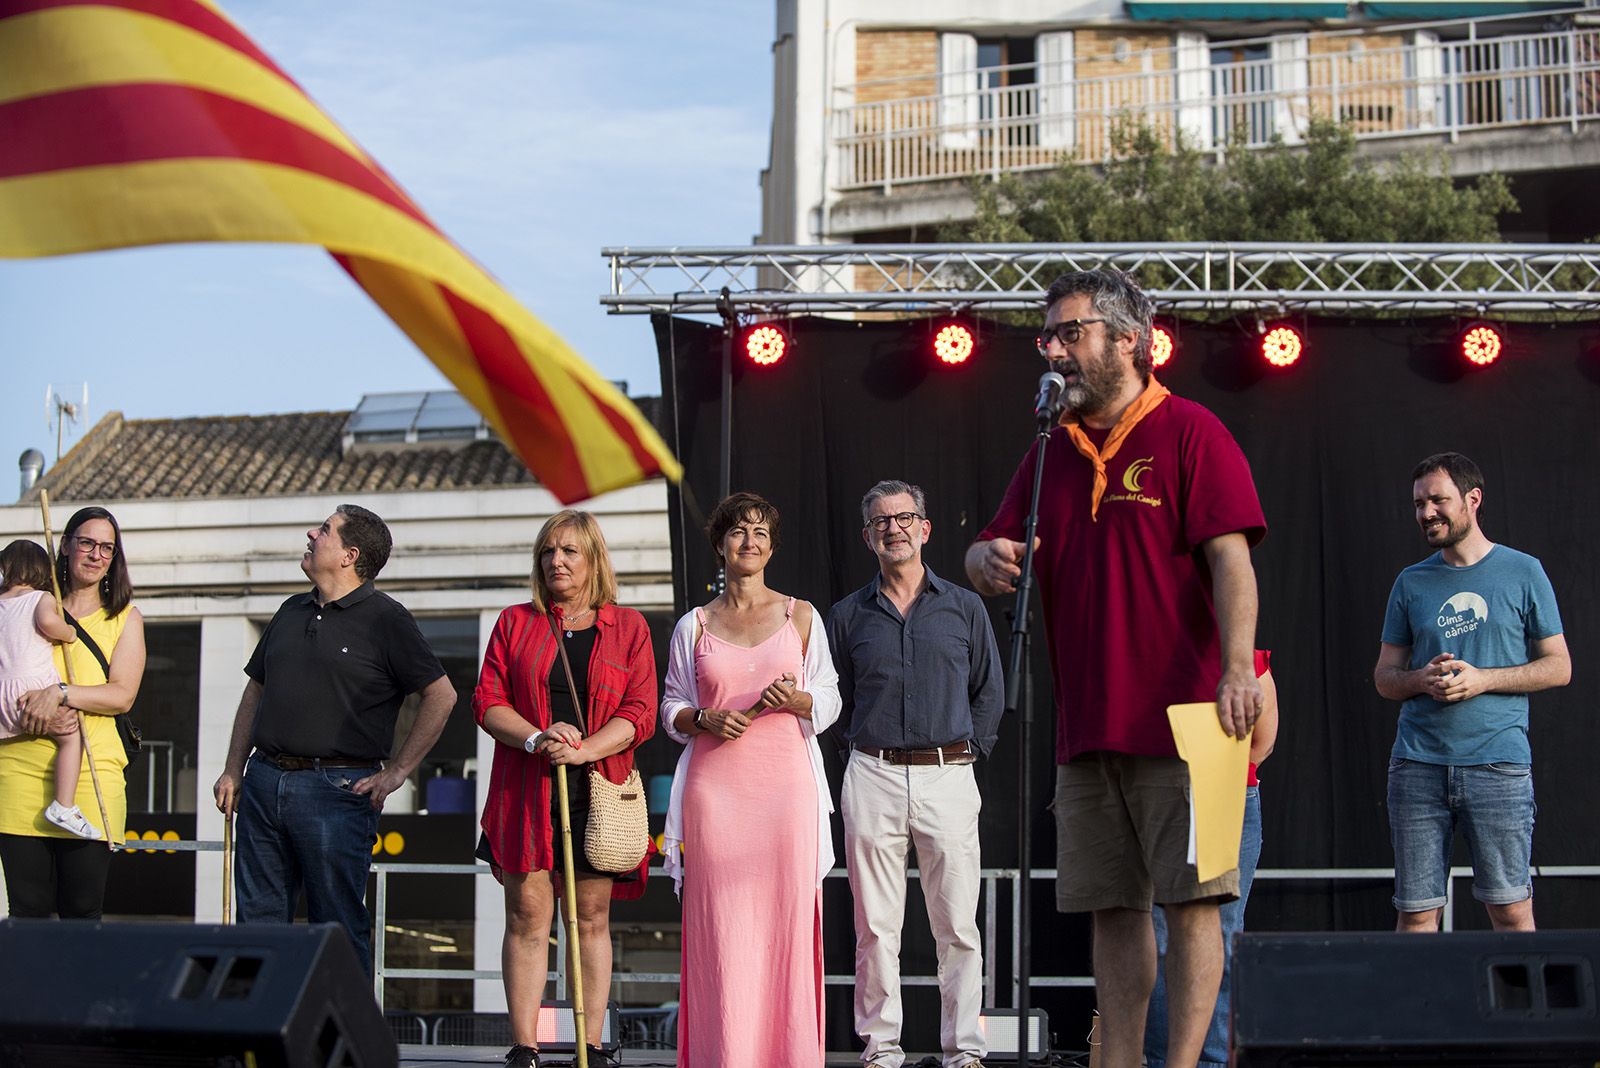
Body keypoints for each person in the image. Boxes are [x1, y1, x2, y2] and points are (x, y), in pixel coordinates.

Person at [965, 268, 1266, 1068]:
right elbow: (988, 547)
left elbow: (1233, 562)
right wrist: (981, 559)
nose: (1053, 351)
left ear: (1129, 340)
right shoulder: (1050, 449)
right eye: (1047, 337)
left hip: (1191, 718)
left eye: (1070, 333)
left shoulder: (1192, 430)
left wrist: (1239, 668)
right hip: (1089, 724)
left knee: (1194, 905)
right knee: (1112, 910)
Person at [213, 504, 455, 972]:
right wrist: (233, 768)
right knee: (257, 926)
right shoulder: (290, 609)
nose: (311, 533)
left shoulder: (387, 619)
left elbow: (441, 696)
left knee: (336, 929)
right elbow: (255, 690)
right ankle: (264, 1021)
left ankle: (343, 1023)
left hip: (337, 791)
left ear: (349, 555)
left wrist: (397, 772)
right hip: (263, 782)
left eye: (324, 530)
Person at [660, 491, 841, 1068]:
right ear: (720, 545)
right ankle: (725, 1054)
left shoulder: (801, 616)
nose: (750, 541)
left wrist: (798, 699)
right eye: (738, 531)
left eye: (761, 532)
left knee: (786, 926)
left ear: (772, 546)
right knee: (720, 928)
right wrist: (703, 718)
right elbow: (671, 707)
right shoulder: (693, 625)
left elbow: (831, 698)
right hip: (715, 797)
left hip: (786, 794)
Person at [827, 480, 1002, 1068]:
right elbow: (835, 701)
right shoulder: (847, 615)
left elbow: (989, 692)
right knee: (875, 927)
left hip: (948, 773)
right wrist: (860, 755)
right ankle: (881, 1049)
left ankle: (965, 1051)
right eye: (881, 521)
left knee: (958, 927)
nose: (893, 529)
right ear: (867, 537)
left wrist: (970, 752)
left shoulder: (965, 607)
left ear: (925, 529)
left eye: (904, 518)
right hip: (872, 773)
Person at [474, 510, 658, 1068]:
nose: (556, 560)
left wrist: (585, 749)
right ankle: (524, 1047)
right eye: (548, 551)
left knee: (591, 919)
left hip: (598, 789)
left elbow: (641, 710)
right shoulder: (514, 621)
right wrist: (537, 738)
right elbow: (488, 701)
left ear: (594, 559)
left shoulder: (629, 626)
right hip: (526, 789)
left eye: (570, 550)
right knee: (526, 916)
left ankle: (592, 1047)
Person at [1373, 452, 1569, 933]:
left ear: (1472, 499)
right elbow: (1385, 677)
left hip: (1497, 765)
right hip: (1417, 766)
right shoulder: (1411, 582)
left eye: (1438, 500)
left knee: (1510, 909)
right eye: (1419, 504)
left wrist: (1483, 679)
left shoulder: (1523, 571)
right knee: (1416, 914)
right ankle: (1418, 991)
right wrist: (1420, 680)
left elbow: (1559, 666)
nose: (1426, 513)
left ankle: (1520, 989)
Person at [0, 507, 147, 917]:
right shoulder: (24, 605)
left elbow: (121, 696)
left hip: (91, 778)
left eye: (107, 548)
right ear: (65, 545)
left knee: (82, 912)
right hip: (17, 774)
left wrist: (60, 694)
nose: (96, 554)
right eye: (87, 543)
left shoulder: (124, 618)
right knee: (26, 911)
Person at [1145, 651, 1279, 1068]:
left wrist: (1220, 773)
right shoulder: (1153, 651)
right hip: (1160, 795)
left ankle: (1214, 1060)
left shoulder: (1247, 658)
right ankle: (1161, 1058)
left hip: (1229, 795)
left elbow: (1262, 742)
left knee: (1224, 929)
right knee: (1158, 934)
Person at [0, 540, 99, 840]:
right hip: (29, 688)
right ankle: (63, 805)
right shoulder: (40, 598)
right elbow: (47, 622)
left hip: (2, 691)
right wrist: (69, 632)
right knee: (71, 736)